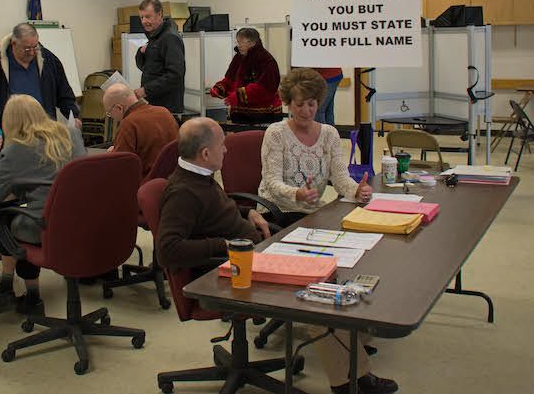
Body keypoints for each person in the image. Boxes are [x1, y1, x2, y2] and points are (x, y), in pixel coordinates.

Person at [157, 117, 397, 394]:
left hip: (252, 253)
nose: (227, 150)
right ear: (206, 154)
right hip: (229, 273)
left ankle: (356, 365)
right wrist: (228, 245)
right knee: (317, 298)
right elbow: (168, 251)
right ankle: (349, 382)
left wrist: (248, 212)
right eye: (222, 145)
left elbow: (214, 210)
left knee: (334, 269)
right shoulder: (183, 192)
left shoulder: (199, 176)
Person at [0, 94, 85, 316]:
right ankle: (21, 293)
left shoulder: (17, 149)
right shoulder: (71, 133)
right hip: (82, 222)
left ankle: (25, 293)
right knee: (26, 216)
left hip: (48, 227)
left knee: (8, 220)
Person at [259, 68, 372, 227]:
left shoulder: (329, 134)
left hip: (310, 212)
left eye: (311, 104)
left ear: (319, 103)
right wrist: (297, 194)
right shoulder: (276, 133)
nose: (306, 111)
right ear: (289, 105)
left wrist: (357, 190)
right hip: (277, 212)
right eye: (299, 105)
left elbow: (340, 178)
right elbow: (272, 183)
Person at [0, 23, 80, 125]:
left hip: (44, 127)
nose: (31, 53)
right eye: (27, 49)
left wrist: (73, 116)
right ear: (14, 44)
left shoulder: (49, 60)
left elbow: (64, 92)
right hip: (11, 129)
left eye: (35, 47)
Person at [103, 82, 178, 179]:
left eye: (109, 113)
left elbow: (120, 165)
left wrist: (112, 155)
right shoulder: (164, 112)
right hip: (172, 179)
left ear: (119, 108)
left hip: (145, 183)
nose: (111, 117)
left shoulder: (128, 124)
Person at [210, 27, 283, 124]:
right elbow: (231, 79)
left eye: (241, 42)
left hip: (263, 116)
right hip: (240, 115)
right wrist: (220, 88)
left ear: (252, 42)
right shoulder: (239, 57)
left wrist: (238, 95)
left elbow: (265, 88)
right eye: (237, 42)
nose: (238, 45)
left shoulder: (266, 60)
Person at [135, 0, 185, 113]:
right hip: (154, 104)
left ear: (159, 15)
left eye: (148, 16)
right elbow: (147, 68)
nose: (143, 21)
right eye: (141, 17)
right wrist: (141, 53)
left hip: (166, 108)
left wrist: (146, 90)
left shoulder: (170, 38)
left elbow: (175, 75)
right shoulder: (154, 37)